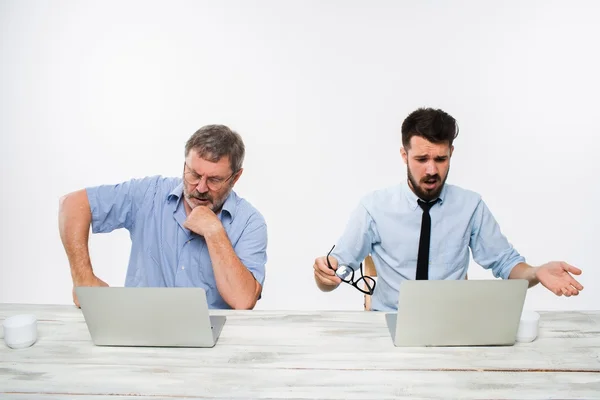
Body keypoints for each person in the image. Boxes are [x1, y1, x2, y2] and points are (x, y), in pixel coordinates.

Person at [313, 108, 583, 311]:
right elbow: (334, 272)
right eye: (421, 159)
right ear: (404, 155)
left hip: (451, 326)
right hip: (389, 323)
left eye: (440, 159)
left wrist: (536, 272)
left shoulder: (471, 206)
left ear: (451, 153)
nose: (432, 170)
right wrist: (324, 275)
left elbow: (506, 263)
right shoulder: (373, 207)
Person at [59, 125, 267, 310]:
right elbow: (73, 205)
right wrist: (82, 279)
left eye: (214, 180)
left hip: (213, 346)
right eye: (194, 174)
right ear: (185, 164)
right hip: (140, 334)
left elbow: (243, 301)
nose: (201, 188)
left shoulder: (250, 222)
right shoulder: (149, 194)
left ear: (236, 177)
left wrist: (215, 232)